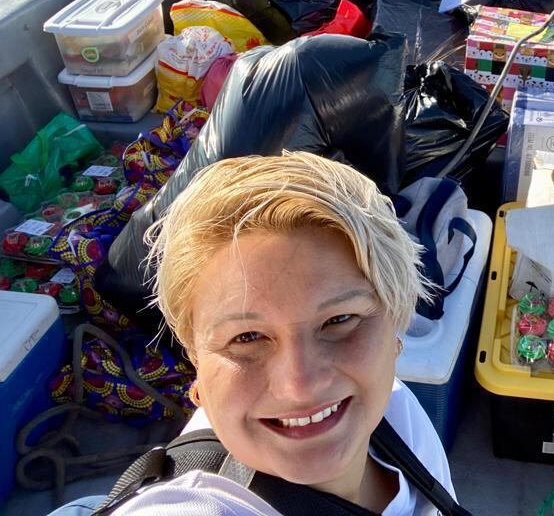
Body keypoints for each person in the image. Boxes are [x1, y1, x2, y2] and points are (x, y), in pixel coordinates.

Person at [91, 152, 455, 515]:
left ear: (395, 331)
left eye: (339, 319)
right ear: (196, 364)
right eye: (247, 337)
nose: (300, 386)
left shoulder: (400, 416)